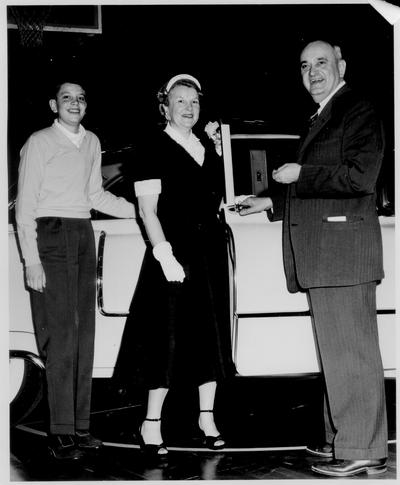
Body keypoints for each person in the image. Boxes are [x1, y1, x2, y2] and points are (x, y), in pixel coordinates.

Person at [239, 40, 388, 477]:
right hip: (327, 255)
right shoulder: (323, 114)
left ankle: (363, 448)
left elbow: (360, 177)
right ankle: (340, 438)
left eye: (321, 63)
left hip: (341, 253)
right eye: (305, 66)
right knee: (337, 353)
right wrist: (270, 203)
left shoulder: (357, 109)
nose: (313, 72)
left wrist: (301, 173)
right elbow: (318, 191)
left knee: (352, 353)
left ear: (341, 65)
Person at [15, 81, 136, 461]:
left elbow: (95, 195)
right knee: (62, 337)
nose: (75, 103)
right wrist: (31, 259)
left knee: (84, 334)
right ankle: (60, 432)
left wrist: (143, 212)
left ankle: (81, 428)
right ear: (54, 104)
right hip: (50, 234)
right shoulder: (39, 142)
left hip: (82, 232)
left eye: (81, 97)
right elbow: (25, 205)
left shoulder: (91, 141)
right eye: (67, 97)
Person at [117, 74, 235, 457]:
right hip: (172, 252)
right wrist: (164, 253)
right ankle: (151, 423)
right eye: (180, 101)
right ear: (164, 106)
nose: (188, 108)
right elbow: (147, 210)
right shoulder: (152, 147)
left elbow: (217, 199)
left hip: (209, 253)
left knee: (211, 335)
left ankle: (206, 417)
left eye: (194, 102)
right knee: (165, 339)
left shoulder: (207, 147)